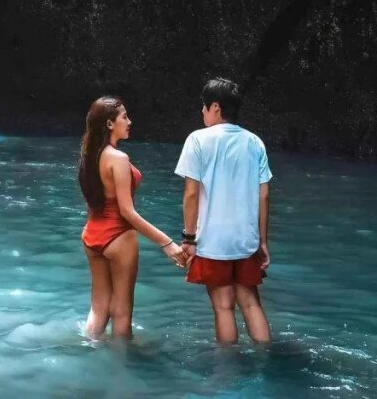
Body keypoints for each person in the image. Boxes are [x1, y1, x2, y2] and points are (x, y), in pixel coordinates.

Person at [79, 95, 188, 339]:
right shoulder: (118, 159)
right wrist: (167, 243)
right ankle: (121, 370)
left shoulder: (89, 156)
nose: (130, 122)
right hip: (118, 236)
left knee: (98, 309)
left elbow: (93, 202)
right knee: (122, 312)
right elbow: (127, 212)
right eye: (124, 117)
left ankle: (89, 356)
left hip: (91, 235)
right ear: (109, 124)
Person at [175, 78, 273, 344]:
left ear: (215, 107)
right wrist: (262, 242)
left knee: (223, 307)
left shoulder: (197, 139)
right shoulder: (255, 142)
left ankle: (227, 373)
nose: (202, 112)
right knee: (251, 304)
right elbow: (263, 195)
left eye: (204, 107)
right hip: (246, 240)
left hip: (212, 241)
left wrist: (188, 239)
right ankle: (266, 363)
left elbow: (191, 193)